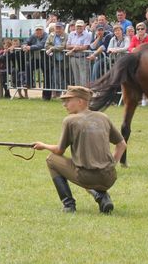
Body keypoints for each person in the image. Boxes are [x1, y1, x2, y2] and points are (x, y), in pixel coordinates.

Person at [33, 86, 126, 214]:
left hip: (87, 177)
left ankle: (69, 204)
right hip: (109, 177)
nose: (64, 104)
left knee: (51, 160)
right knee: (84, 166)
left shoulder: (70, 120)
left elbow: (59, 151)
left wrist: (43, 145)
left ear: (80, 101)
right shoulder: (103, 117)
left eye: (68, 100)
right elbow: (122, 144)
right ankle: (102, 196)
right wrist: (112, 164)